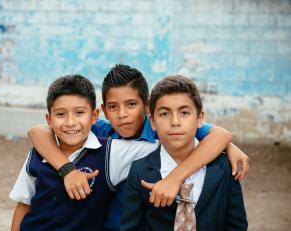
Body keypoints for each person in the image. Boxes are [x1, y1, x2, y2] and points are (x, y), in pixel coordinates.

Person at [28, 64, 249, 230]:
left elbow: (219, 134)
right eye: (113, 107)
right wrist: (67, 170)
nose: (122, 115)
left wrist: (227, 147)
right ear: (103, 111)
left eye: (131, 105)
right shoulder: (102, 132)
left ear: (147, 106)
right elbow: (38, 132)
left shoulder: (163, 128)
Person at [10, 74, 168, 230]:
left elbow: (174, 147)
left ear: (94, 116)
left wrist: (175, 177)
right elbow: (24, 204)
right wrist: (68, 170)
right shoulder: (39, 153)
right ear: (49, 119)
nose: (70, 122)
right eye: (60, 114)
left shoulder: (110, 151)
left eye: (79, 113)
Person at [121, 75, 248, 231]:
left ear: (200, 118)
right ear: (152, 122)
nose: (175, 122)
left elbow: (237, 225)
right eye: (164, 114)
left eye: (184, 113)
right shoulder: (139, 170)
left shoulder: (224, 167)